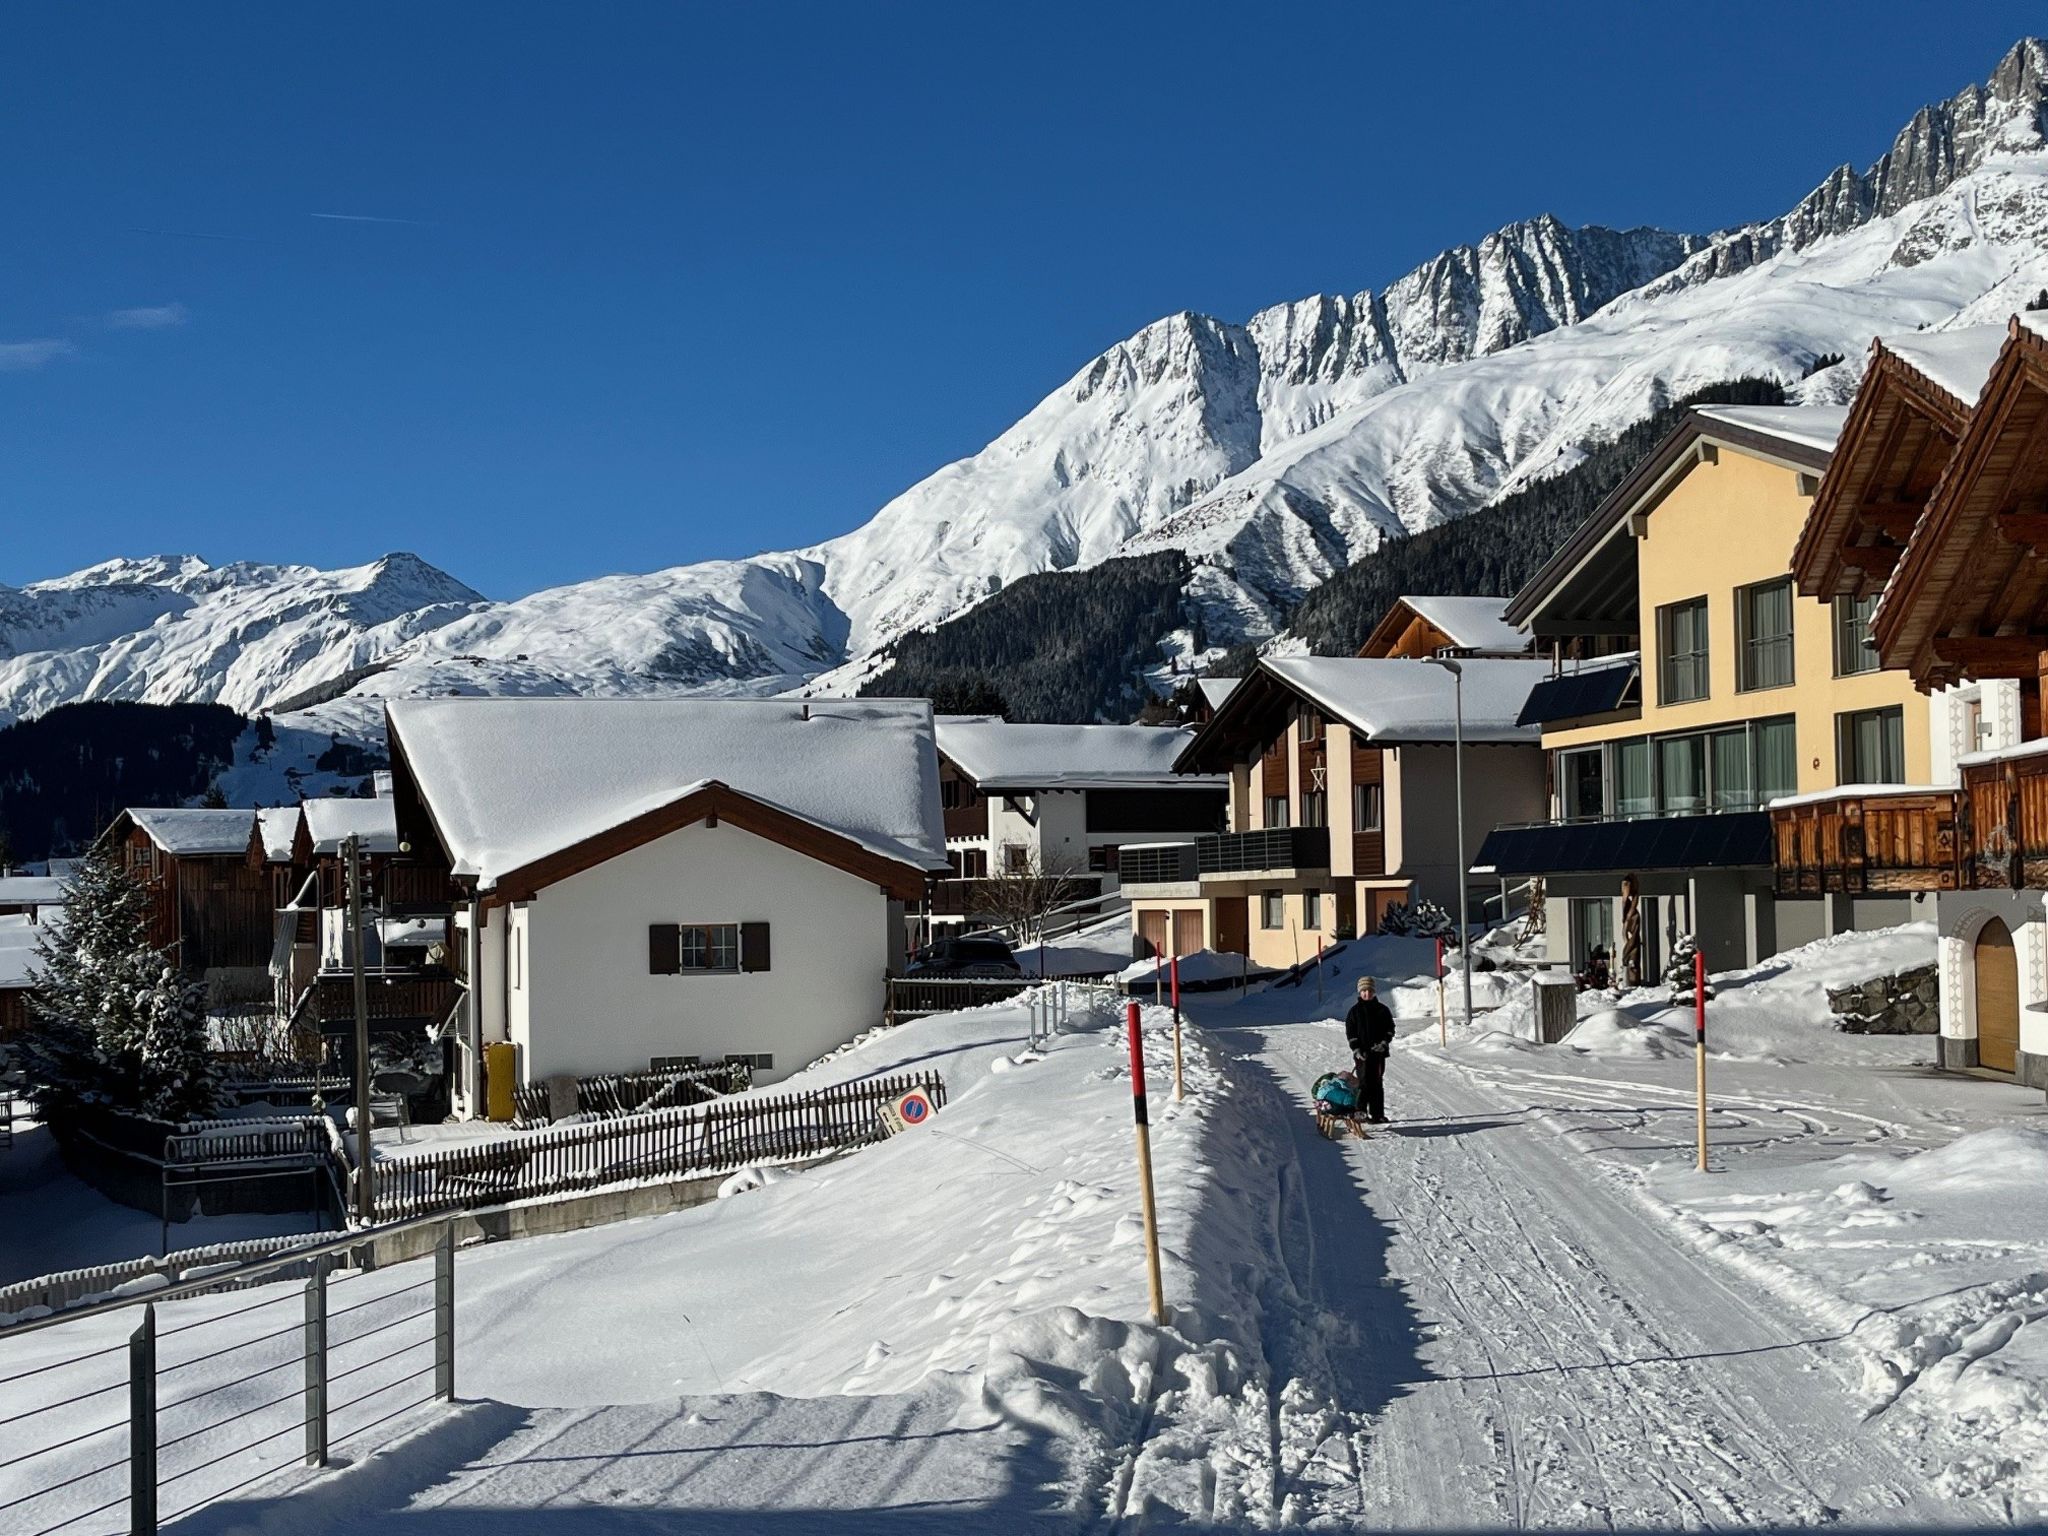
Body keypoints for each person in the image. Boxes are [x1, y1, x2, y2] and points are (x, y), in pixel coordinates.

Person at [1344, 976, 1396, 1124]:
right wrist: (1356, 1049)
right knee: (1363, 1082)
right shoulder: (1354, 1012)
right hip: (1362, 1054)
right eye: (1364, 991)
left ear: (1374, 992)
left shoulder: (1382, 1010)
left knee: (1377, 1083)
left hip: (1378, 1054)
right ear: (1360, 992)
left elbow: (1390, 1029)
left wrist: (1384, 1043)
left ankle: (1377, 1114)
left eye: (1370, 991)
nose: (1367, 994)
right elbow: (1351, 1032)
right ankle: (1360, 1111)